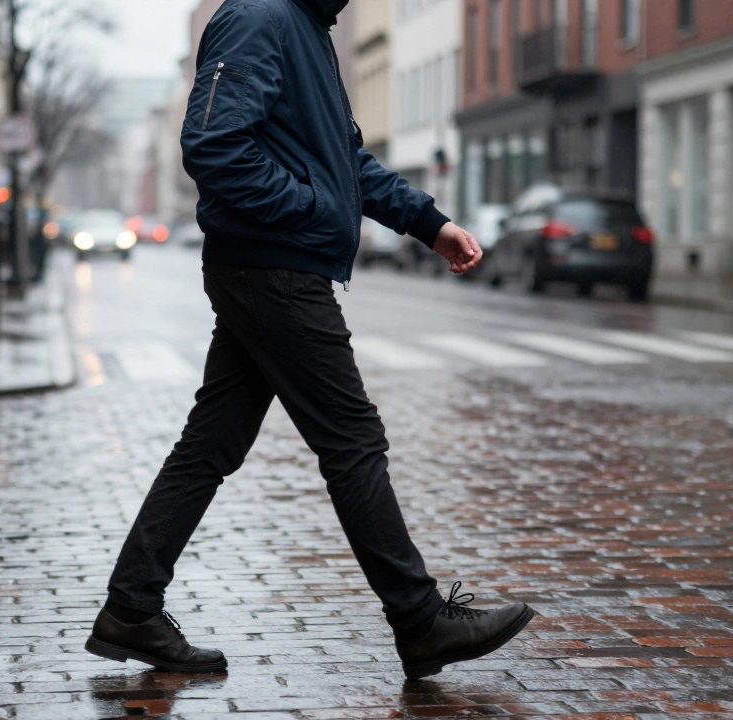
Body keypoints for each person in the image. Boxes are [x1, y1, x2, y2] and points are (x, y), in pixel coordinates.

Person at [85, 0, 533, 680]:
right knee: (352, 438)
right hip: (275, 269)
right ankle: (420, 620)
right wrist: (312, 210)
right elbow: (213, 146)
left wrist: (427, 223)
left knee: (211, 443)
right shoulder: (260, 17)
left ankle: (131, 607)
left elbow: (344, 161)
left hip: (270, 266)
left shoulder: (307, 30)